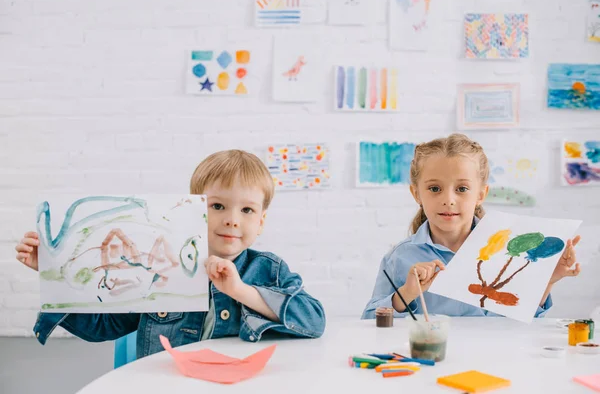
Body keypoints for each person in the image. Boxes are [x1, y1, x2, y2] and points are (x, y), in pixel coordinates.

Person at [16, 150, 326, 358]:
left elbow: (313, 321)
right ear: (191, 209)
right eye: (217, 206)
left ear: (260, 222)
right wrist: (52, 270)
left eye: (247, 210)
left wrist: (241, 291)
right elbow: (103, 327)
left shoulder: (268, 270)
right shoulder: (160, 267)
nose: (232, 219)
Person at [362, 133, 581, 319]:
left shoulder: (508, 250)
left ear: (481, 194)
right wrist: (407, 293)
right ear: (416, 193)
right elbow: (369, 320)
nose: (448, 199)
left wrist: (547, 281)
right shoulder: (400, 257)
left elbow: (522, 323)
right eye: (435, 189)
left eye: (462, 189)